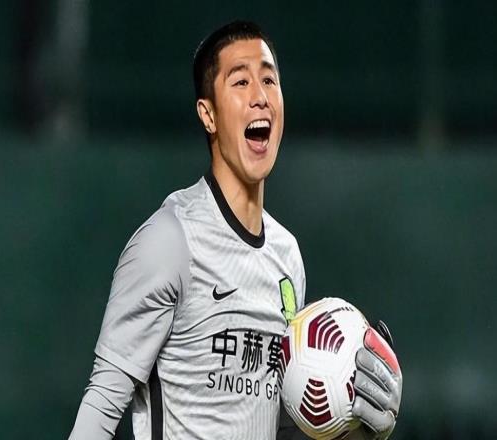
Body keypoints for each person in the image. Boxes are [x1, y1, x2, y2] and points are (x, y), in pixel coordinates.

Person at [69, 21, 402, 440]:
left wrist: (354, 427)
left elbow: (279, 421)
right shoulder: (169, 241)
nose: (260, 96)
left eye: (269, 80)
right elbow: (102, 403)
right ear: (208, 114)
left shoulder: (287, 255)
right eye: (241, 81)